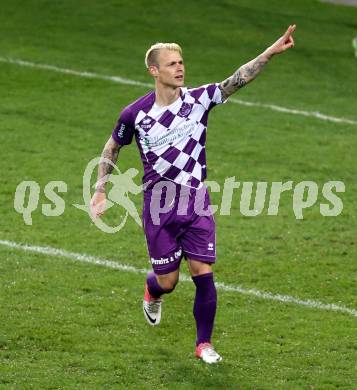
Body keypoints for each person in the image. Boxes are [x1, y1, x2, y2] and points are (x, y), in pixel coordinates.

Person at [90, 24, 296, 364]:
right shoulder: (136, 114)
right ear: (154, 71)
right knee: (168, 281)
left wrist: (271, 51)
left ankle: (204, 344)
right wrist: (100, 190)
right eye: (172, 64)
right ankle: (152, 289)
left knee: (203, 272)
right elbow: (113, 146)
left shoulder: (199, 99)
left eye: (181, 61)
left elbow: (238, 78)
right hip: (159, 208)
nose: (180, 67)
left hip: (196, 201)